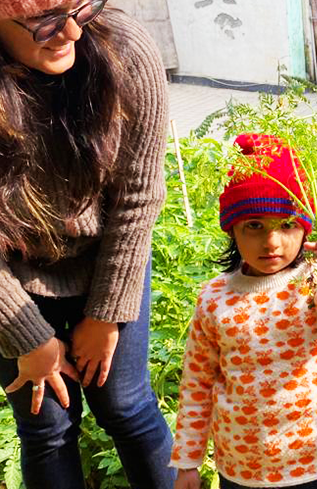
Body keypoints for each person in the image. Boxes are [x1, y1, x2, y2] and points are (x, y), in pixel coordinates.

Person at [0, 1, 175, 487]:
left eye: (79, 6)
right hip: (10, 280)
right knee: (46, 425)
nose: (71, 31)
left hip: (106, 261)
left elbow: (139, 196)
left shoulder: (124, 49)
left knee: (127, 405)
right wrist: (29, 339)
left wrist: (106, 314)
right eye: (46, 20)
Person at [170, 134, 317, 489]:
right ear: (232, 229)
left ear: (305, 227)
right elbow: (197, 382)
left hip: (316, 456)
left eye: (286, 224)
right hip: (242, 467)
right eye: (255, 226)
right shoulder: (214, 298)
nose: (272, 242)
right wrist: (187, 462)